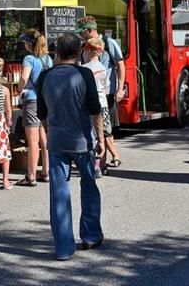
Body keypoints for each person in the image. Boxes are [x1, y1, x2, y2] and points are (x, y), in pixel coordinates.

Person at [37, 32, 105, 261]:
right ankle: (90, 235)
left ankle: (64, 248)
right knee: (89, 186)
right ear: (78, 52)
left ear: (56, 52)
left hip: (57, 141)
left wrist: (50, 131)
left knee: (58, 193)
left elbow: (42, 115)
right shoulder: (84, 74)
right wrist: (101, 139)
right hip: (82, 141)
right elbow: (96, 110)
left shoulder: (45, 77)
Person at [77, 16, 124, 167]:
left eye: (82, 32)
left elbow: (120, 65)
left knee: (104, 128)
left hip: (107, 93)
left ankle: (105, 161)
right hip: (92, 93)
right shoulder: (84, 47)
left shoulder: (109, 43)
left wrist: (120, 88)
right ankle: (108, 160)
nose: (80, 35)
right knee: (101, 128)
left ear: (90, 30)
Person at [18, 31, 52, 187]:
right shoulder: (47, 59)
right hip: (45, 99)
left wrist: (20, 88)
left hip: (31, 99)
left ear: (29, 44)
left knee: (32, 140)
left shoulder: (29, 58)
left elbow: (25, 77)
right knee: (44, 137)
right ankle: (46, 171)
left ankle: (31, 175)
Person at [81, 37, 112, 175]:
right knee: (103, 134)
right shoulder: (103, 68)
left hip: (88, 104)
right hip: (102, 103)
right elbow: (106, 89)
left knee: (89, 134)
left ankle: (91, 163)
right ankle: (101, 164)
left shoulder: (84, 69)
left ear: (88, 51)